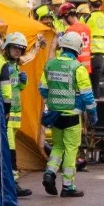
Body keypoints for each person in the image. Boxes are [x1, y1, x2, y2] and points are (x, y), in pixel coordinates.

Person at [39, 31, 97, 197]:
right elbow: (87, 95)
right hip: (72, 116)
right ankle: (68, 186)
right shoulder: (78, 68)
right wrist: (93, 113)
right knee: (71, 149)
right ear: (78, 48)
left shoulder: (50, 64)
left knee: (58, 146)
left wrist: (53, 101)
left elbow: (42, 88)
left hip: (55, 115)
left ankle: (49, 173)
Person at [0, 32, 33, 197]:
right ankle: (12, 184)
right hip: (6, 114)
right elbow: (4, 90)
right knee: (10, 151)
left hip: (13, 115)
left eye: (21, 49)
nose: (18, 52)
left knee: (11, 149)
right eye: (15, 48)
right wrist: (5, 109)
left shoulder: (15, 65)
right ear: (6, 47)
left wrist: (23, 82)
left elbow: (16, 90)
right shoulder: (0, 63)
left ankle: (10, 183)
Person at [85, 0, 104, 89]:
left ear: (89, 3)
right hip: (102, 54)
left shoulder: (88, 18)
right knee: (96, 83)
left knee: (88, 85)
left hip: (89, 54)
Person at [63, 4, 93, 73]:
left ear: (68, 17)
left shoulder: (70, 30)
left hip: (76, 64)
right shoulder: (87, 28)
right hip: (87, 64)